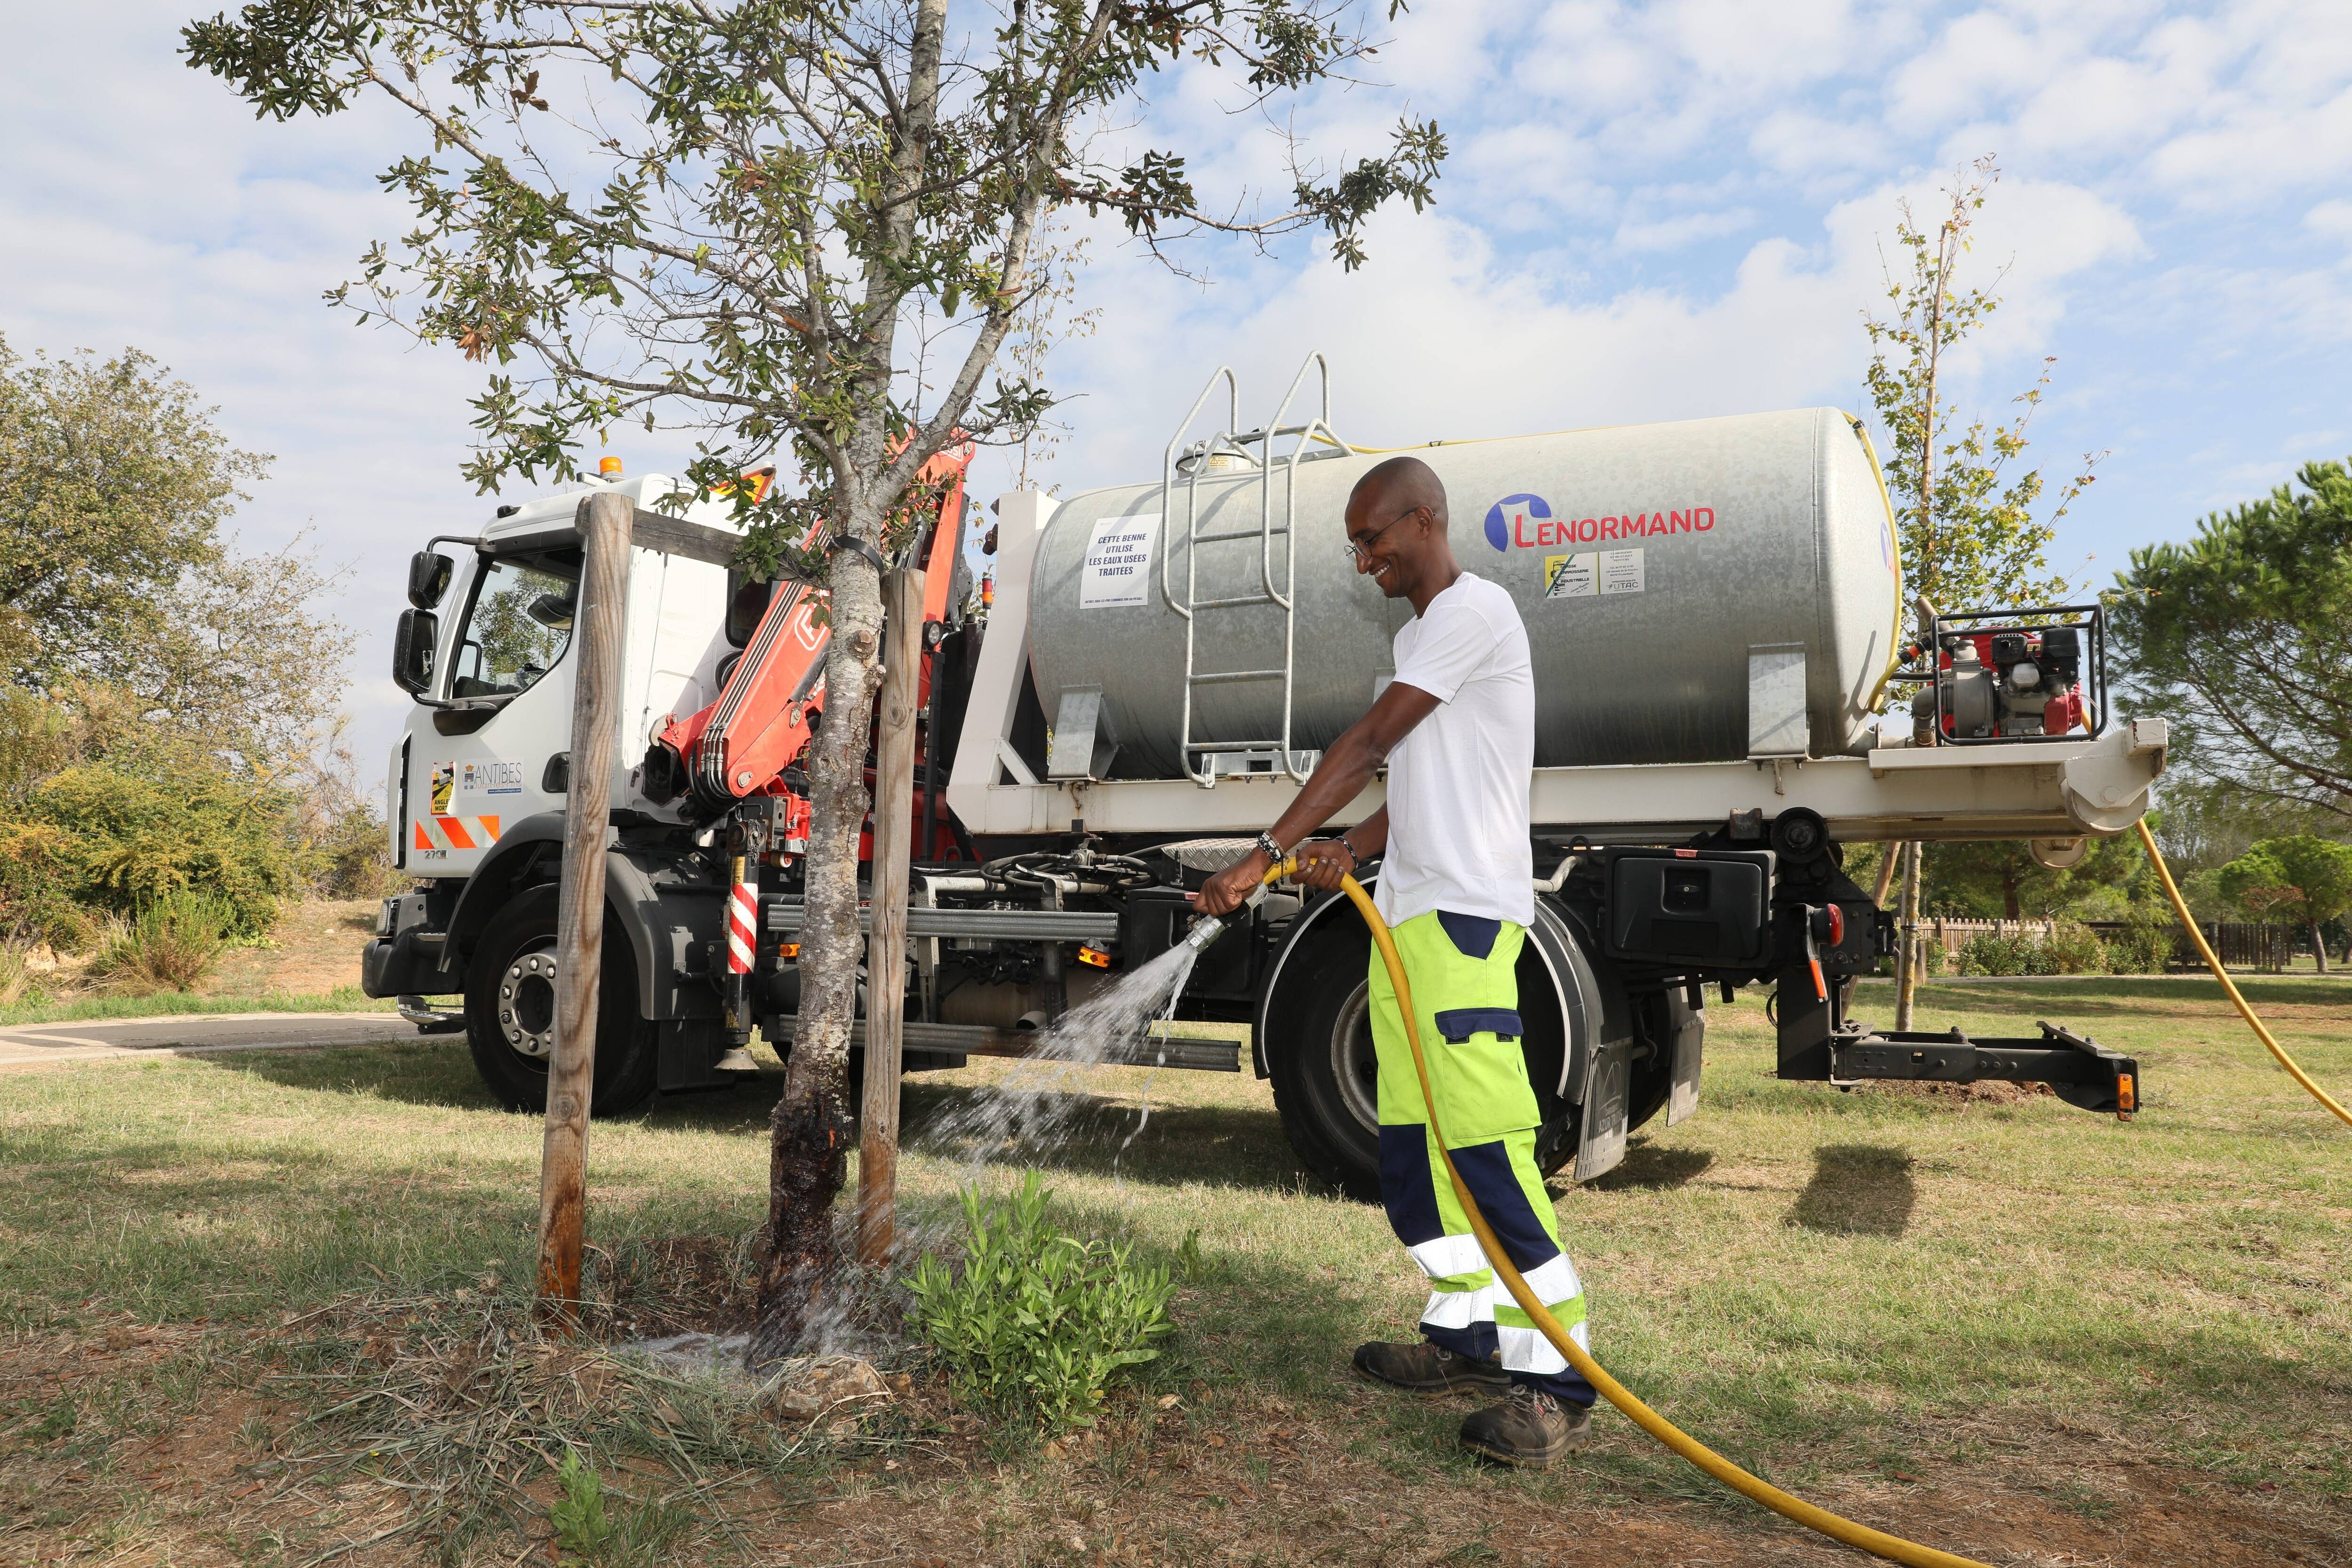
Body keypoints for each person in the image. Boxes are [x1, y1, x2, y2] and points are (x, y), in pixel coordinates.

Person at [1193, 455, 1597, 1467]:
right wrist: (1351, 849)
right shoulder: (1418, 635)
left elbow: (1369, 742)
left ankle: (1556, 1377)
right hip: (1406, 922)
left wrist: (1267, 852)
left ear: (1427, 519)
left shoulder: (1473, 612)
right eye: (1355, 543)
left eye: (1375, 536)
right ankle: (1463, 1336)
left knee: (1485, 1147)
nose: (1363, 555)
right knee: (1412, 1154)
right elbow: (1406, 790)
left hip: (1462, 920)